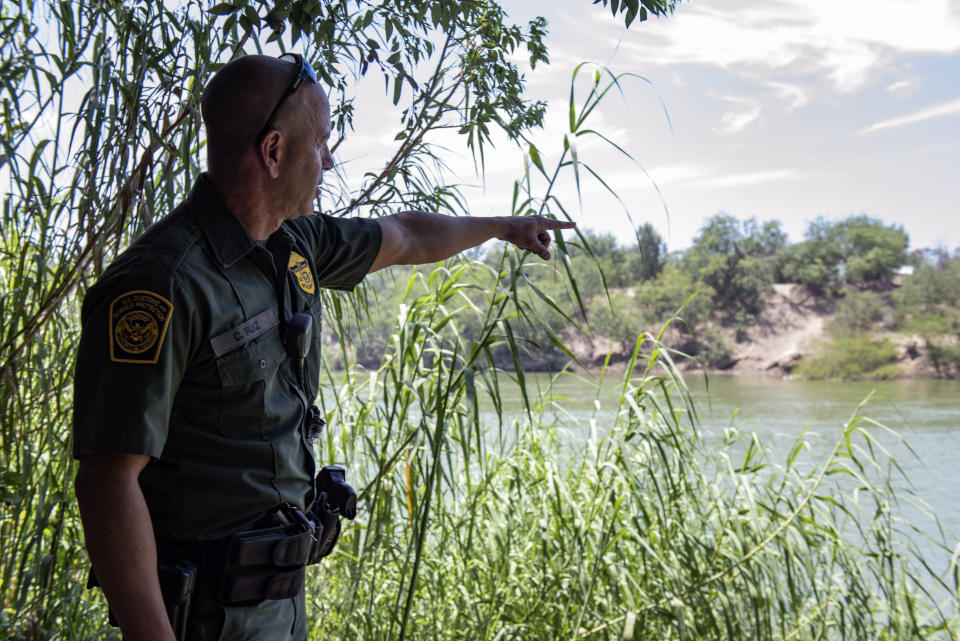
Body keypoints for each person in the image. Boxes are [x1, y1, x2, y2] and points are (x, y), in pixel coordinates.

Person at [72, 53, 575, 641]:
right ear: (274, 151)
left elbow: (407, 234)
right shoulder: (161, 284)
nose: (329, 161)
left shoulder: (296, 245)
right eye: (321, 144)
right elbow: (108, 482)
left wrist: (502, 226)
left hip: (281, 608)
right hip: (204, 619)